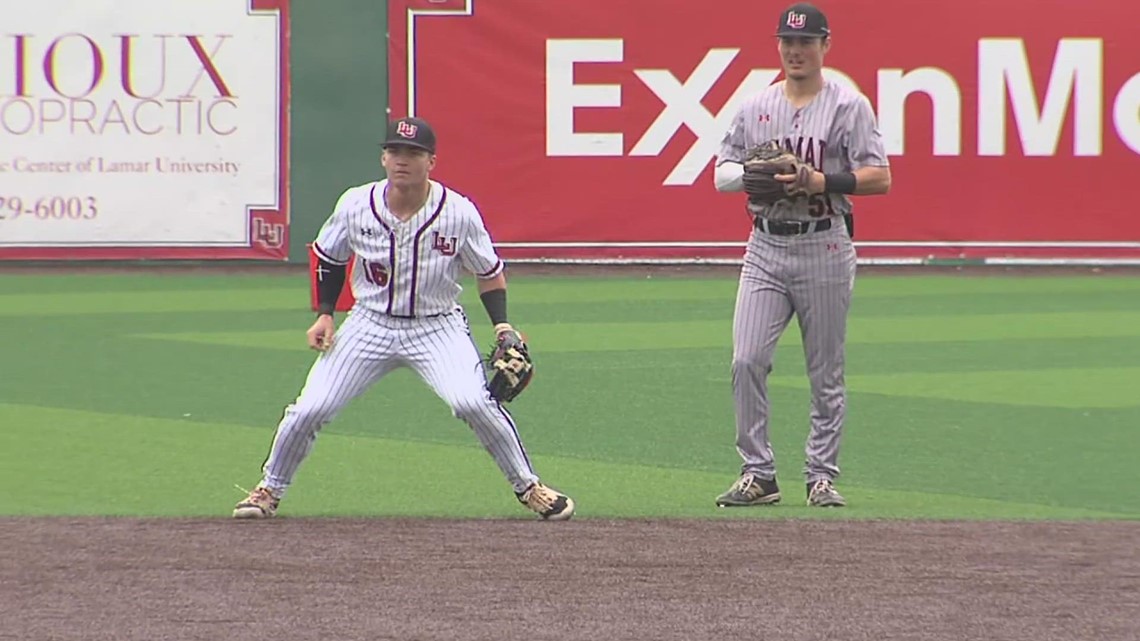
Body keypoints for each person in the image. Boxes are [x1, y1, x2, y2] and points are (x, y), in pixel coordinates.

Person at [232, 116, 574, 521]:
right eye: (395, 151)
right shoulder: (356, 203)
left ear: (432, 161)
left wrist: (502, 325)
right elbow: (329, 257)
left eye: (413, 153)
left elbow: (489, 273)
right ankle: (268, 490)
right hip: (369, 324)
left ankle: (529, 487)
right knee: (309, 410)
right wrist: (325, 314)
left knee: (473, 403)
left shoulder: (459, 212)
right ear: (383, 157)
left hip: (437, 326)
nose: (402, 160)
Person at [711, 2, 891, 508]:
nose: (796, 50)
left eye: (806, 42)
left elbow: (880, 177)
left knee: (824, 370)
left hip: (824, 243)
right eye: (788, 42)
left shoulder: (848, 105)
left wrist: (818, 180)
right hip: (764, 245)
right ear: (779, 46)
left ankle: (821, 476)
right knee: (746, 359)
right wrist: (753, 176)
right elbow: (721, 172)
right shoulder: (755, 106)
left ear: (824, 46)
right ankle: (758, 473)